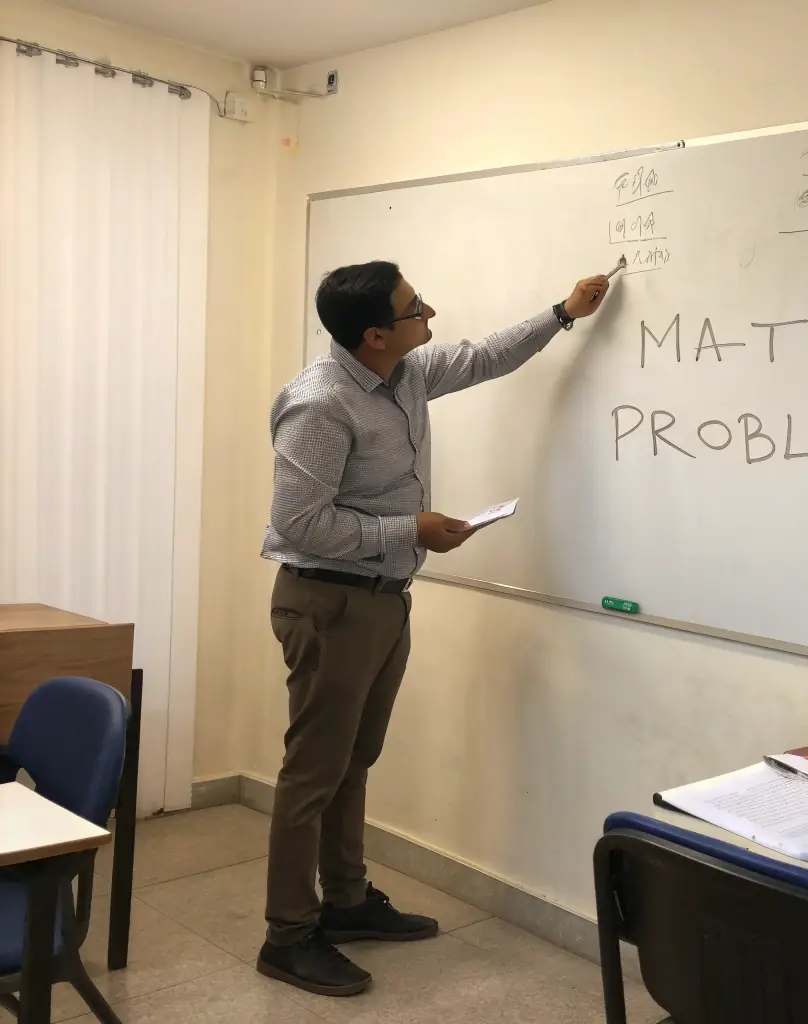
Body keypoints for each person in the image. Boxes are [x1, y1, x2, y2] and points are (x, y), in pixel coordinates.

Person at [256, 261, 611, 996]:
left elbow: (485, 355)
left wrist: (563, 311)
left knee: (355, 758)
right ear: (375, 334)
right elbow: (297, 524)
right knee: (312, 771)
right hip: (328, 602)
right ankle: (288, 935)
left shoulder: (405, 373)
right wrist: (407, 527)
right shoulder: (320, 405)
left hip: (384, 598)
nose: (431, 314)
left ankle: (346, 901)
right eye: (416, 308)